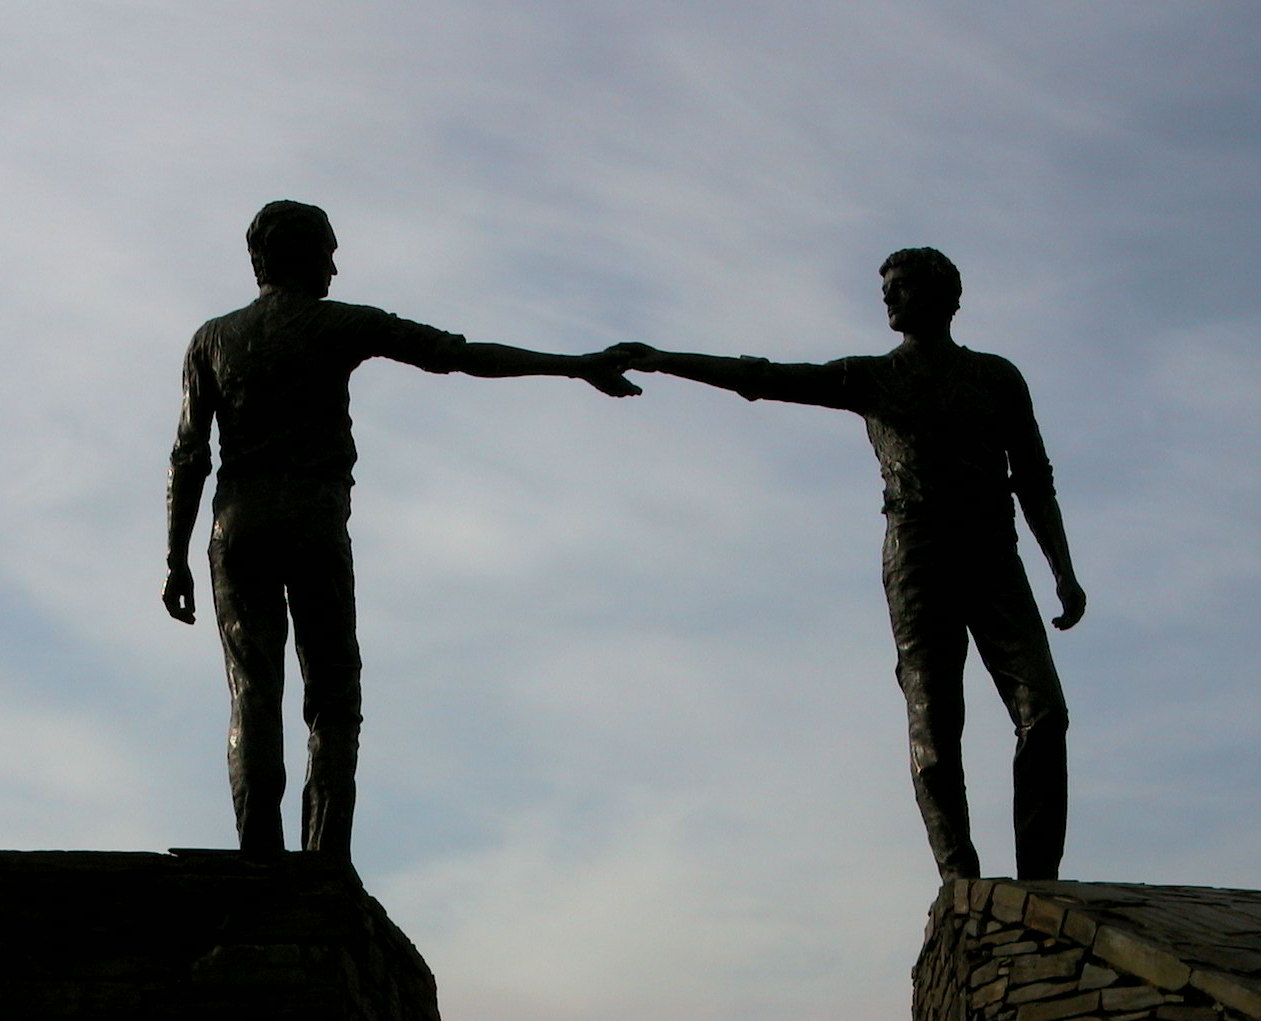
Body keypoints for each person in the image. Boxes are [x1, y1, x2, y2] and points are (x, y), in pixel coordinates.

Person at [164, 200, 638, 860]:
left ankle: (258, 857)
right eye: (328, 250)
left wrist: (176, 555)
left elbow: (189, 455)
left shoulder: (211, 338)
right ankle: (324, 857)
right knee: (332, 694)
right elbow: (458, 355)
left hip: (236, 526)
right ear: (301, 256)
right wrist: (574, 364)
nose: (335, 264)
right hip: (311, 518)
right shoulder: (338, 325)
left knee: (252, 691)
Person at [613, 248, 1085, 881]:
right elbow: (765, 377)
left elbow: (1033, 476)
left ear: (945, 296)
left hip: (994, 554)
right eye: (885, 289)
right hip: (918, 555)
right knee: (935, 729)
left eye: (902, 287)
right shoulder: (871, 377)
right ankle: (963, 886)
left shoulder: (998, 378)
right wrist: (663, 359)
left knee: (1045, 712)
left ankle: (1040, 891)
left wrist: (1062, 567)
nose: (888, 299)